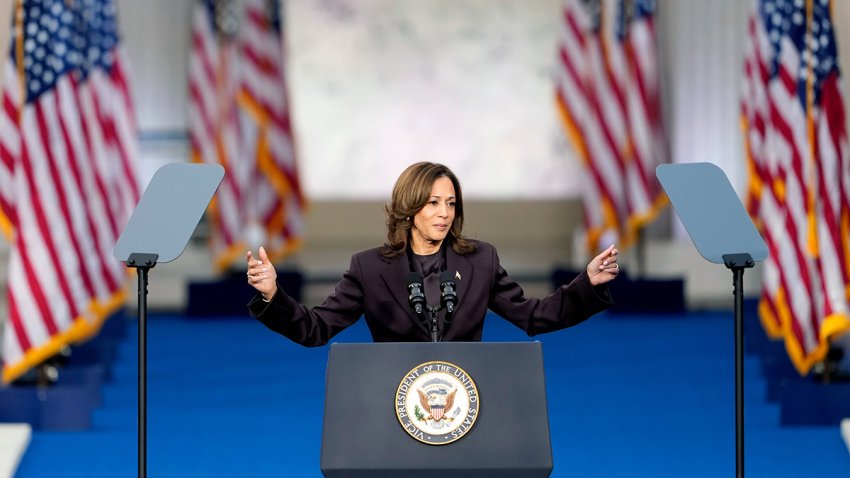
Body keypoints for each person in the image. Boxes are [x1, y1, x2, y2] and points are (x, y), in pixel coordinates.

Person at [246, 162, 619, 345]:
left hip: (468, 399)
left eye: (451, 203)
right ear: (409, 208)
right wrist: (271, 295)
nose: (444, 213)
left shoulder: (481, 260)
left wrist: (588, 283)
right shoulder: (369, 267)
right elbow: (315, 329)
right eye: (433, 203)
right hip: (395, 399)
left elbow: (535, 317)